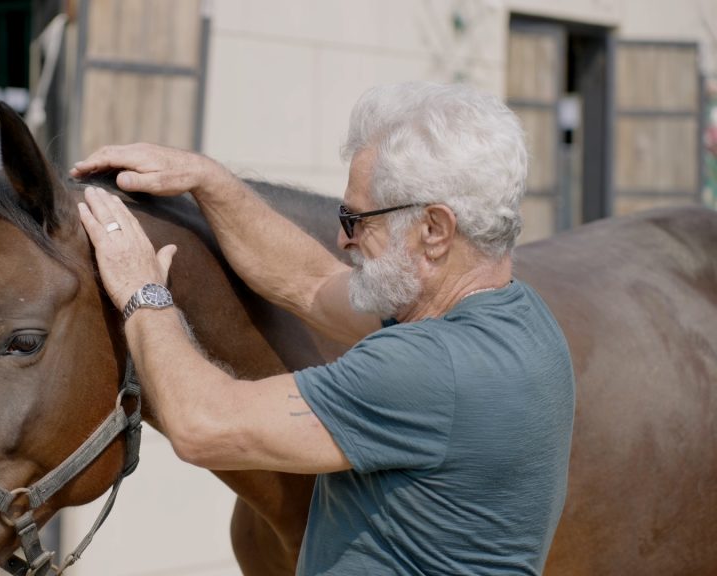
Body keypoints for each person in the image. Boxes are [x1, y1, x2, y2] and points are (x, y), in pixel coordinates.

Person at [71, 81, 575, 575]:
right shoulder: (523, 321)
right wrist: (209, 181)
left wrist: (141, 291)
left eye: (358, 219)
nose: (342, 237)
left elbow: (204, 423)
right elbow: (309, 281)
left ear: (434, 230)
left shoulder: (425, 371)